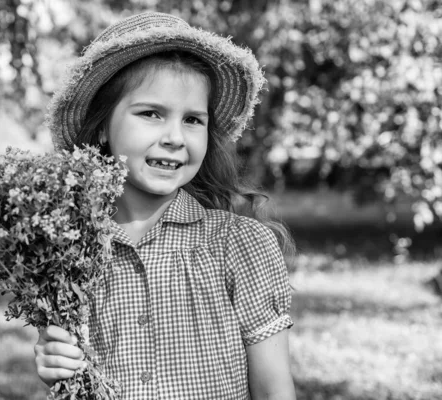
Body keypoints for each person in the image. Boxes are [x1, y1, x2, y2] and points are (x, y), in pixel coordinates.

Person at [35, 12, 296, 400]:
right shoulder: (70, 256)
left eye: (192, 119)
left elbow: (275, 391)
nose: (175, 137)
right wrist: (53, 362)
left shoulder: (241, 245)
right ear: (104, 126)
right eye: (151, 114)